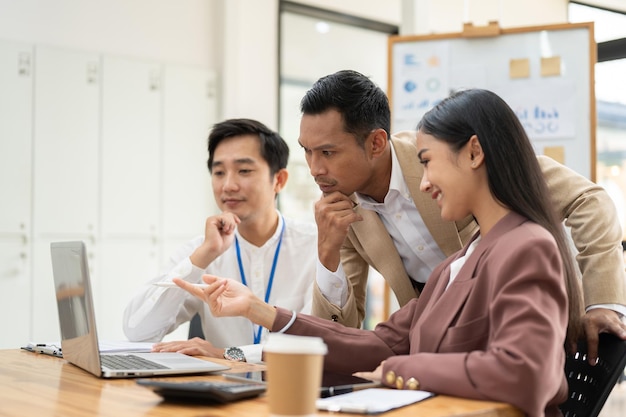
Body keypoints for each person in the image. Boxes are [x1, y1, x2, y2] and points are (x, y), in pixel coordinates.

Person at [174, 88, 585, 417]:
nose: (422, 184)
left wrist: (400, 370)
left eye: (428, 162)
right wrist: (258, 311)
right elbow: (379, 344)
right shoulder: (454, 265)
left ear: (475, 153)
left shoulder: (526, 245)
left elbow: (524, 373)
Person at [300, 69, 626, 362]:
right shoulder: (339, 210)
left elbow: (588, 200)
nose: (315, 169)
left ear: (376, 143)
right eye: (306, 151)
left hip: (532, 337)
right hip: (446, 354)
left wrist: (602, 301)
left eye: (328, 152)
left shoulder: (445, 151)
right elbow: (341, 335)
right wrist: (327, 257)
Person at [123, 118, 317, 363]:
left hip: (293, 395)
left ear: (278, 180)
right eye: (218, 172)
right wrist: (202, 257)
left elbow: (314, 342)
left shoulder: (314, 247)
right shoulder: (202, 250)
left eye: (244, 171)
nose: (228, 185)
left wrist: (225, 354)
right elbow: (137, 331)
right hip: (222, 397)